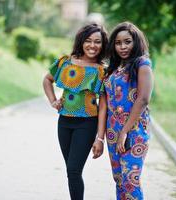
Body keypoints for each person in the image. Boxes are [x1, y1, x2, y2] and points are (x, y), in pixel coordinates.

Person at [42, 23, 108, 200]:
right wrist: (53, 101)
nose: (92, 45)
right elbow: (47, 80)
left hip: (87, 123)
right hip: (64, 122)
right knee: (71, 171)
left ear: (103, 45)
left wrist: (99, 138)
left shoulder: (103, 71)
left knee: (73, 169)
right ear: (81, 41)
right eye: (88, 41)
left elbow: (103, 106)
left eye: (97, 42)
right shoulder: (65, 62)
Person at [96, 21, 154, 200]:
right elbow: (104, 105)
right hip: (112, 132)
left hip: (134, 130)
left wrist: (125, 131)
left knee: (131, 181)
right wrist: (100, 137)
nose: (123, 46)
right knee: (119, 180)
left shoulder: (141, 64)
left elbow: (143, 99)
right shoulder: (112, 69)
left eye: (127, 42)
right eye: (118, 42)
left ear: (136, 41)